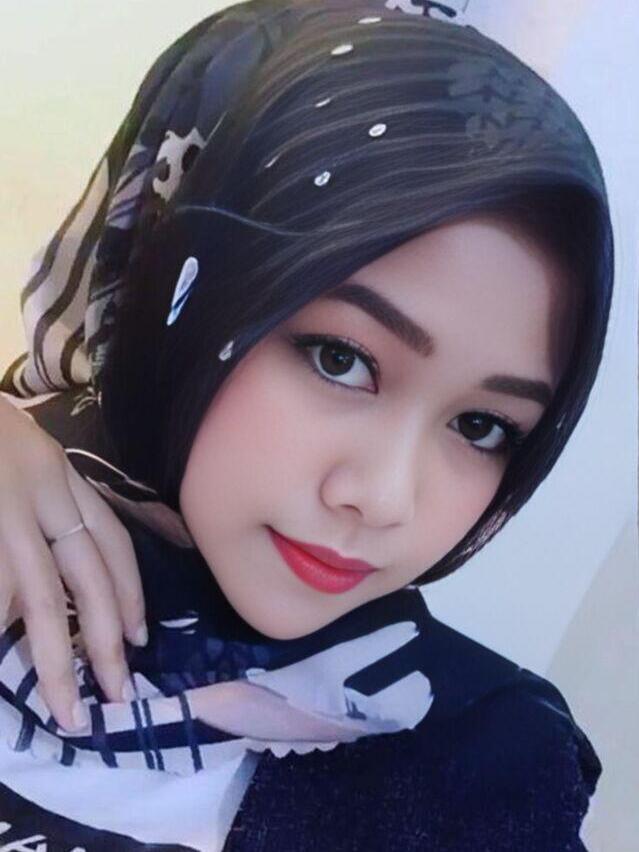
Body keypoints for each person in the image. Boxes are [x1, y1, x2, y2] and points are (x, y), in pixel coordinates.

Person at [0, 0, 613, 849]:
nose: (384, 498)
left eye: (480, 425)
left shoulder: (477, 775)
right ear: (170, 277)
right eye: (340, 358)